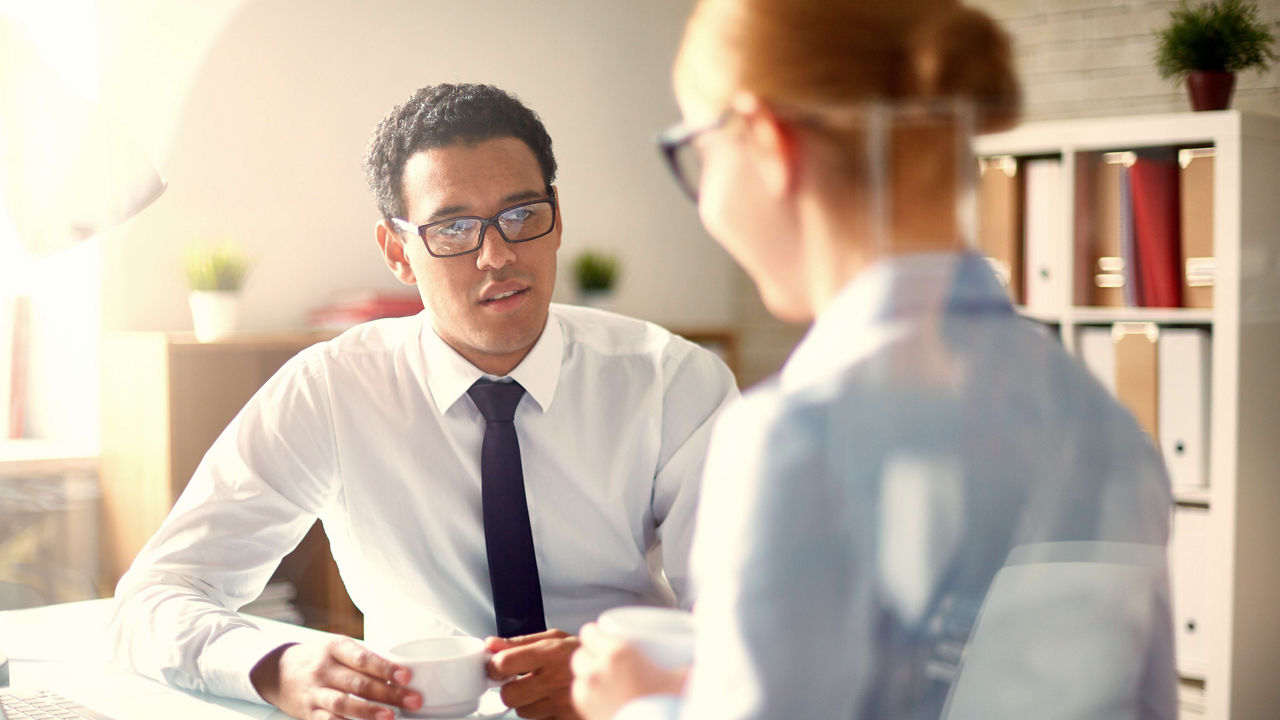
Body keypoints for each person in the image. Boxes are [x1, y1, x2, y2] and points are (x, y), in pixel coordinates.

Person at [570, 1, 1177, 718]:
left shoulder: (793, 439)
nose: (704, 202)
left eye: (699, 154)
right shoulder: (1105, 425)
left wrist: (638, 706)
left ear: (765, 141)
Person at [109, 83, 738, 720]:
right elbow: (154, 597)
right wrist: (276, 665)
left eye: (521, 215)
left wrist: (638, 668)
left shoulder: (670, 380)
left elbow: (750, 615)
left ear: (557, 217)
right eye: (454, 228)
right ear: (397, 252)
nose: (498, 255)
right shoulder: (332, 388)